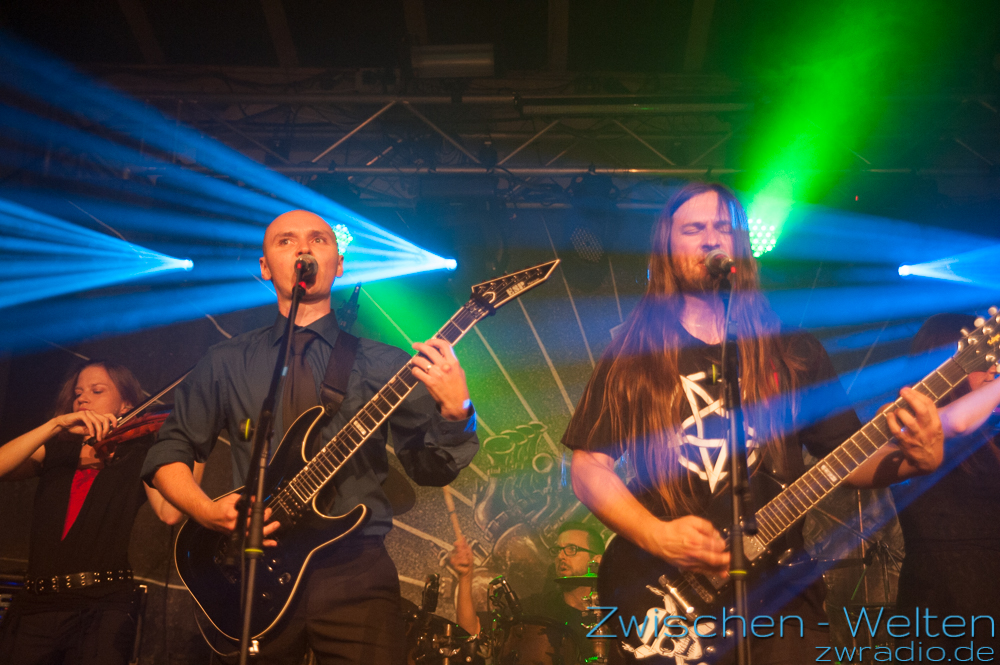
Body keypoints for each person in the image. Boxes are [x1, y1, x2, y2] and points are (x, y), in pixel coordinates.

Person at [562, 182, 945, 664]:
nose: (710, 239)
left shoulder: (792, 352)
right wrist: (655, 535)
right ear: (666, 249)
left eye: (723, 228)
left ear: (741, 246)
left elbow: (846, 459)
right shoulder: (634, 355)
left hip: (782, 599)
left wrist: (916, 459)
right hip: (666, 595)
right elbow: (588, 468)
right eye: (693, 229)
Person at [141, 209, 479, 664]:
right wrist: (206, 512)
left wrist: (458, 411)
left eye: (319, 239)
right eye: (286, 241)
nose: (303, 248)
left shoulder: (384, 364)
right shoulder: (226, 361)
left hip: (355, 570)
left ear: (339, 264)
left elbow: (429, 468)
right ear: (265, 267)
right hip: (253, 567)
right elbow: (170, 449)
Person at [0, 360, 194, 665]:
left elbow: (169, 512)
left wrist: (196, 441)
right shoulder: (57, 450)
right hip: (35, 606)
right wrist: (55, 425)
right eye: (78, 393)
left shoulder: (140, 454)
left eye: (97, 391)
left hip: (102, 607)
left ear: (126, 404)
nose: (83, 399)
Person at [890, 314, 1000, 655]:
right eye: (984, 360)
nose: (993, 368)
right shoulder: (904, 428)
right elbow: (956, 420)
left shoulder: (992, 432)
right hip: (938, 606)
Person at [450, 522, 605, 662]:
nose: (560, 556)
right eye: (558, 550)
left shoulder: (612, 615)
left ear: (597, 560)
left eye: (571, 549)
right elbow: (471, 632)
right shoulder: (537, 608)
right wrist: (465, 576)